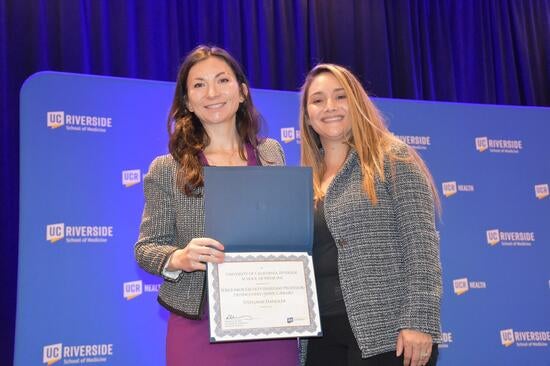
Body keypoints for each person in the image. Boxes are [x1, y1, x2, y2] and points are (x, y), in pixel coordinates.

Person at [134, 45, 297, 366]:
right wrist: (179, 257)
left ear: (242, 92)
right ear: (187, 102)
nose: (212, 92)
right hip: (199, 326)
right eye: (198, 84)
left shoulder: (272, 154)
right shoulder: (166, 169)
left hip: (271, 320)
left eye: (222, 80)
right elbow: (145, 248)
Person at [299, 64, 442, 366]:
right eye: (318, 100)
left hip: (388, 335)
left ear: (357, 102)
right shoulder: (303, 181)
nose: (330, 107)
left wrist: (419, 320)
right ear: (308, 116)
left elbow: (422, 246)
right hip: (320, 338)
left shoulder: (392, 158)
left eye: (340, 97)